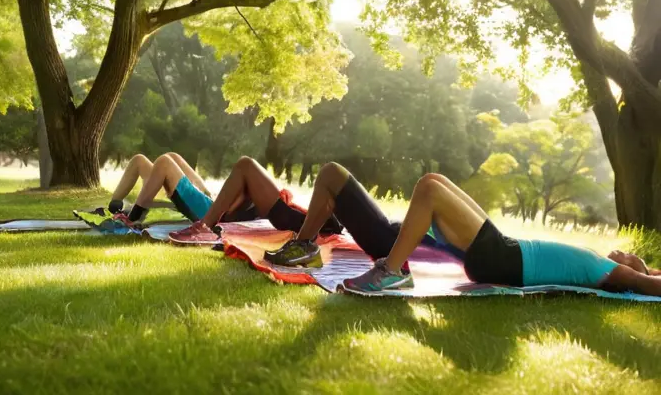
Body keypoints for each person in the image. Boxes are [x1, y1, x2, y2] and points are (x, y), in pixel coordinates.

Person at [270, 164, 661, 297]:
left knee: (428, 188)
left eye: (632, 258)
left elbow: (647, 282)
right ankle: (390, 268)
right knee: (434, 180)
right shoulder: (597, 264)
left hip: (504, 256)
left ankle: (390, 273)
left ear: (631, 270)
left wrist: (644, 275)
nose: (623, 253)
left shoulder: (610, 273)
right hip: (503, 251)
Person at [261, 162, 457, 268]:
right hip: (394, 236)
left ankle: (303, 246)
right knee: (331, 187)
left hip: (393, 245)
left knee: (331, 173)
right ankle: (304, 246)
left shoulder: (469, 251)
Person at [169, 156, 344, 243]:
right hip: (291, 216)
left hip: (290, 217)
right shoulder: (336, 209)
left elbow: (330, 217)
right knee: (245, 168)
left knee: (245, 164)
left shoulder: (333, 218)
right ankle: (209, 223)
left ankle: (206, 227)